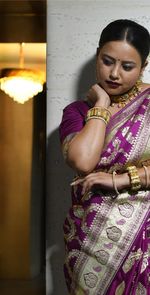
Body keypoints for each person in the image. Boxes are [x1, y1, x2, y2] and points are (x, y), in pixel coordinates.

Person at [59, 19, 150, 294]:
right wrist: (101, 106)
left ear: (143, 67)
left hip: (143, 235)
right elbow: (83, 161)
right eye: (107, 61)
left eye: (127, 66)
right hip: (89, 239)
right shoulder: (76, 111)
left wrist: (120, 181)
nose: (114, 74)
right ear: (98, 55)